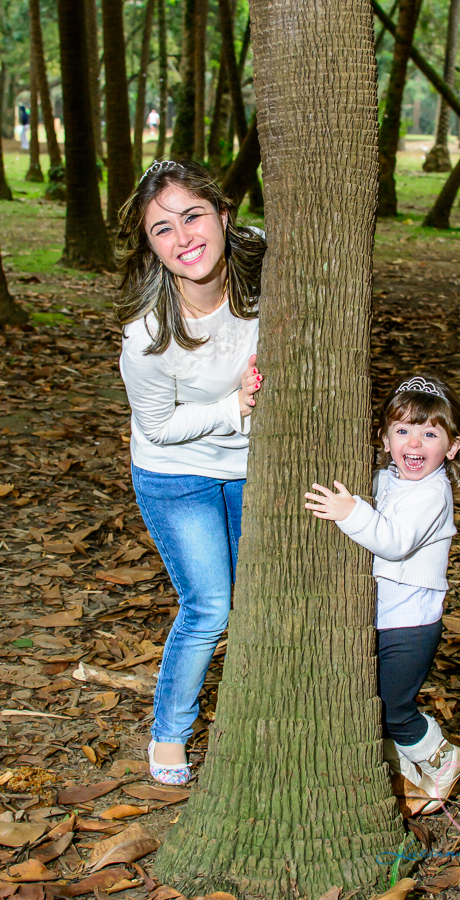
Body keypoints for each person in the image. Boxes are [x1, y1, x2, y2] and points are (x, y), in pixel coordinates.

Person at [115, 159, 266, 785]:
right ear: (151, 249)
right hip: (176, 474)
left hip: (253, 469)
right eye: (162, 230)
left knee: (258, 601)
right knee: (209, 606)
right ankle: (169, 733)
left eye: (193, 216)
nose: (183, 238)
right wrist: (231, 408)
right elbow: (158, 428)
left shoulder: (267, 275)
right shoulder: (148, 336)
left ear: (224, 217)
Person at [304, 375, 460, 813]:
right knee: (376, 701)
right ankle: (409, 772)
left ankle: (442, 760)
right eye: (402, 430)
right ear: (385, 439)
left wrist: (351, 513)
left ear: (453, 447)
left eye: (429, 433)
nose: (414, 442)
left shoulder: (432, 493)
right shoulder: (386, 478)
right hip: (384, 617)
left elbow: (394, 541)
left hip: (411, 624)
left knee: (394, 707)